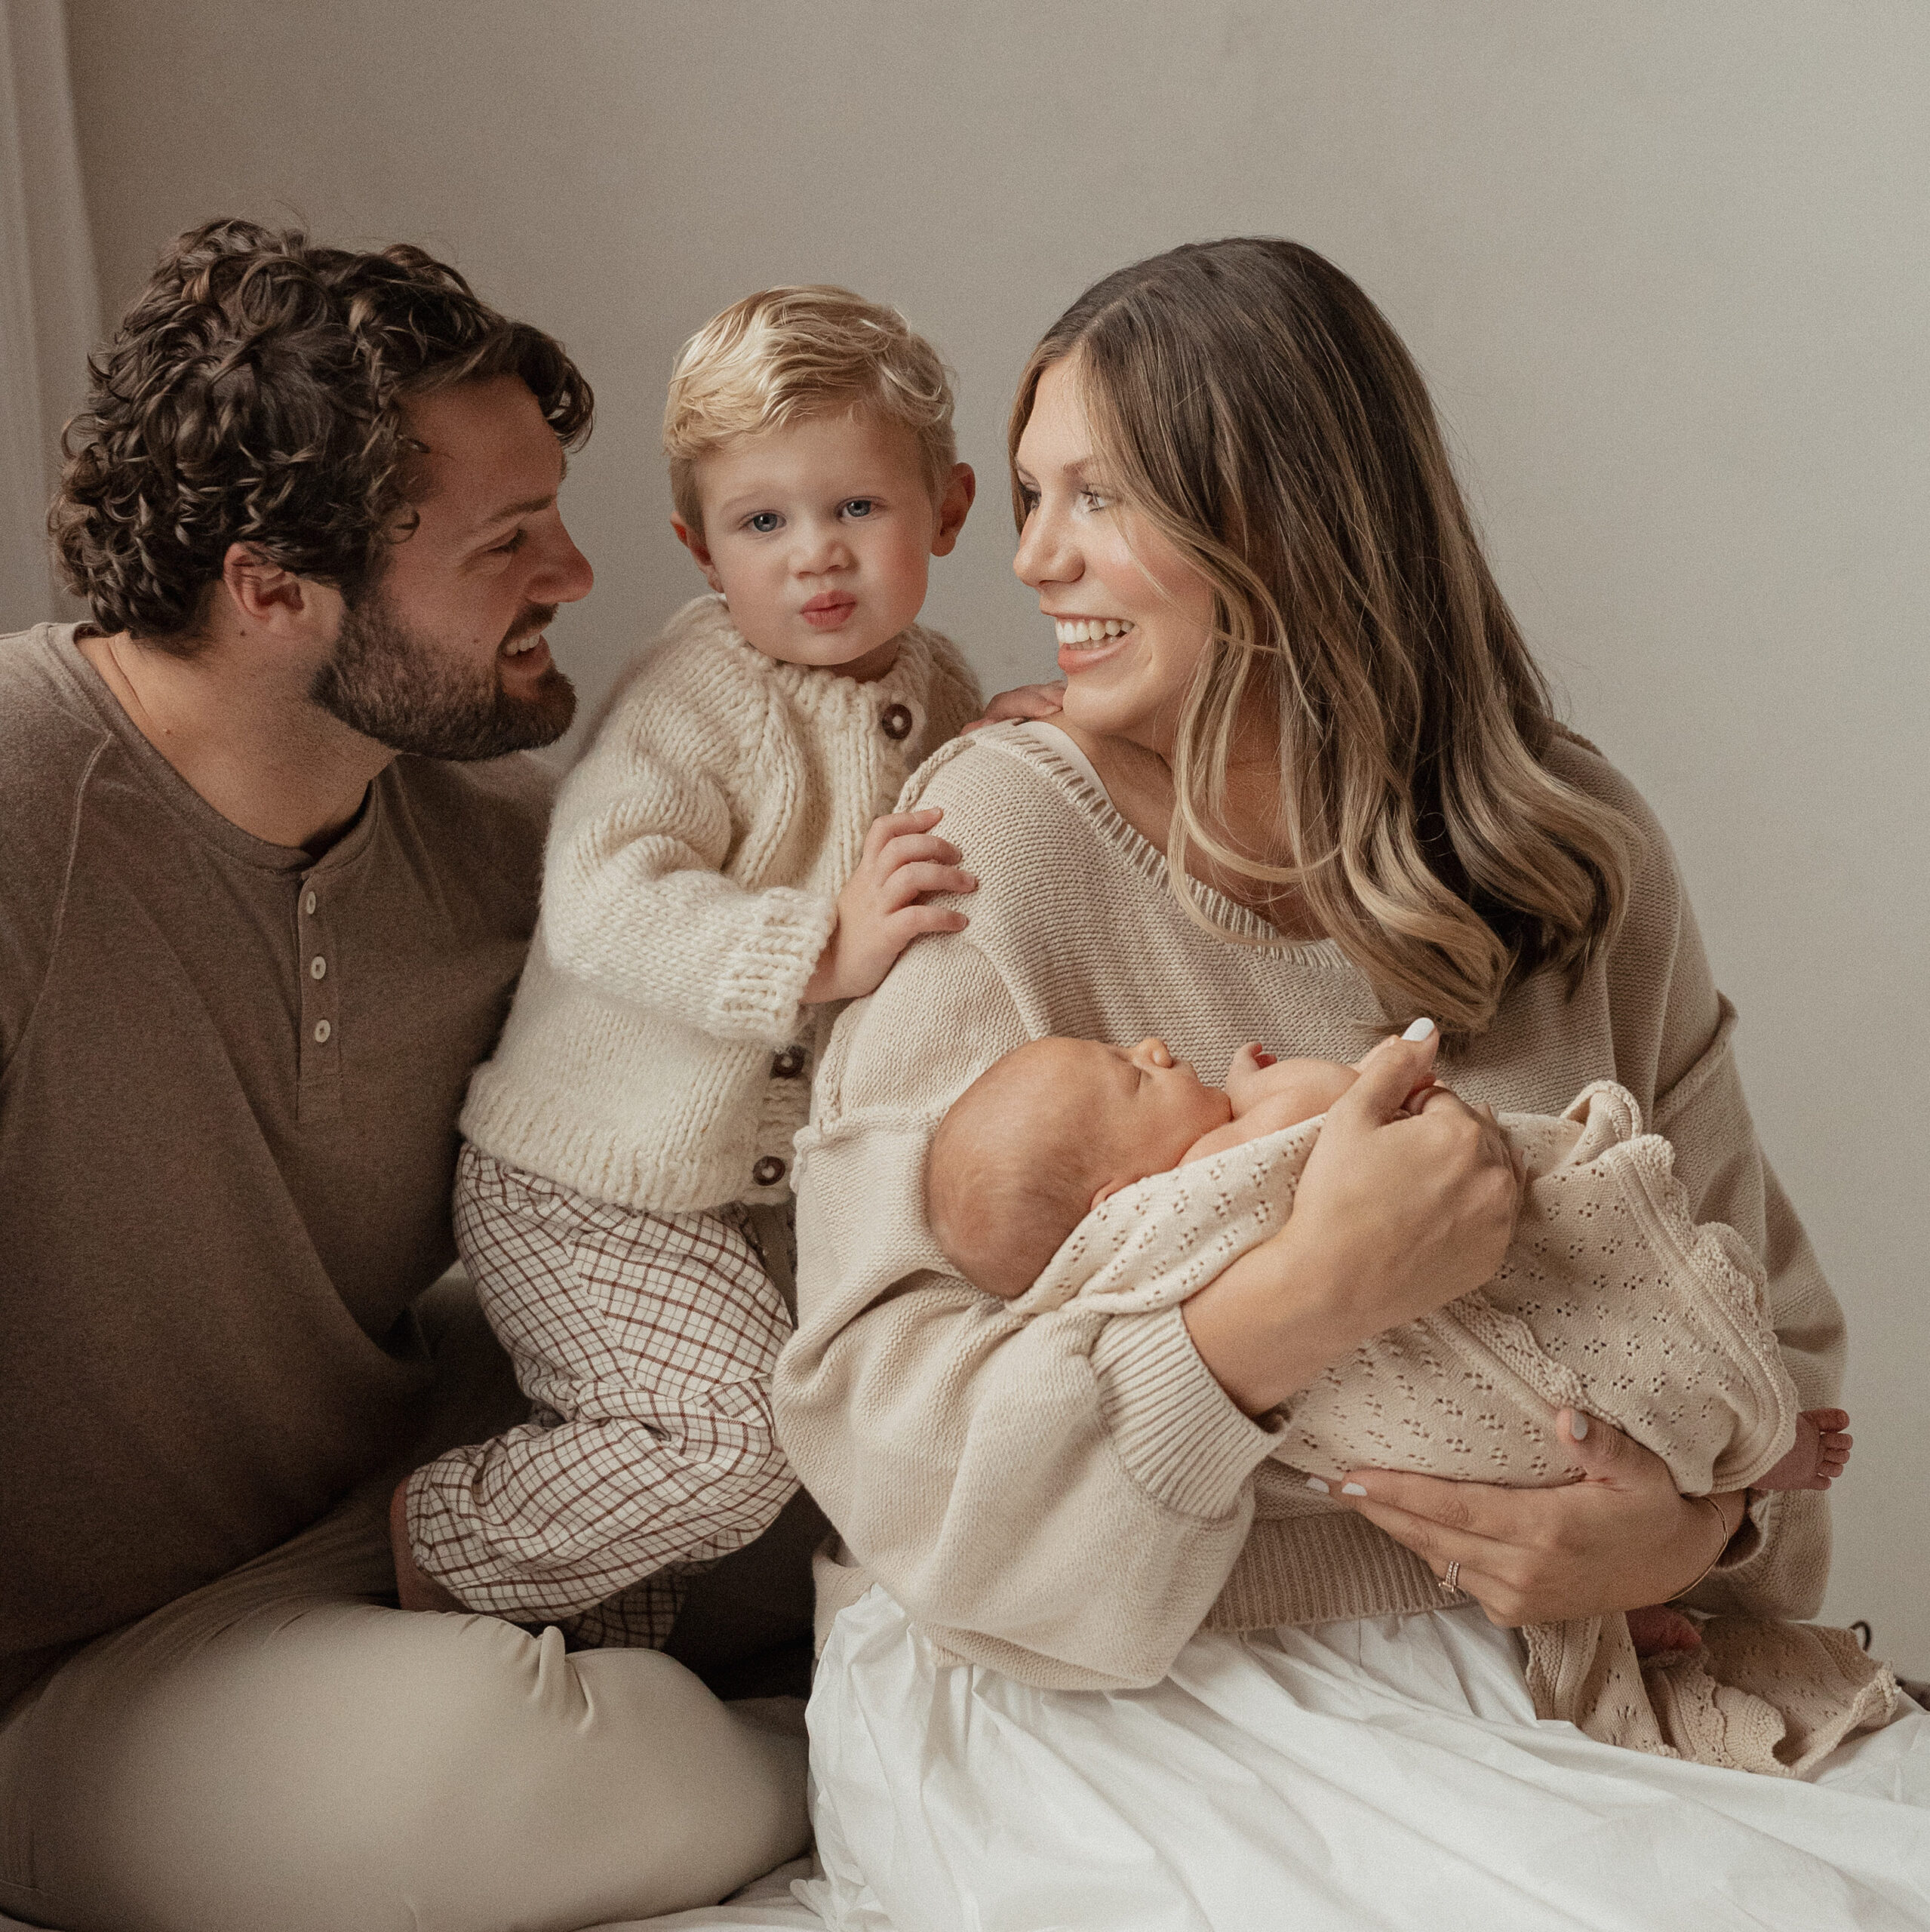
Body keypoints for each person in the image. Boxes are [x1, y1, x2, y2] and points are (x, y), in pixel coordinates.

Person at [739, 239, 1926, 1930]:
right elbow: (888, 1445)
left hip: (1559, 1664)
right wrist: (1299, 1297)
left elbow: (1761, 1321)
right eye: (1032, 492)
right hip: (1116, 1695)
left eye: (1098, 497)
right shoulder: (992, 839)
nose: (1032, 556)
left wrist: (1689, 1535)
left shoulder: (1564, 850)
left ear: (1283, 523)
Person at [0, 221, 800, 1932]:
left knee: (892, 1408)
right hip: (86, 1665)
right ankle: (841, 1742)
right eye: (507, 541)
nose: (573, 574)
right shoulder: (18, 807)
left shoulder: (503, 836)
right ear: (270, 588)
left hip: (409, 1504)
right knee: (473, 1773)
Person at [396, 285, 983, 1657]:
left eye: (857, 508)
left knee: (770, 1466)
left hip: (738, 1192)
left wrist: (1025, 748)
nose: (815, 555)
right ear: (700, 549)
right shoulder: (701, 693)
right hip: (588, 1180)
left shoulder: (941, 689)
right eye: (761, 523)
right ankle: (443, 1536)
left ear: (948, 511)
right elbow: (604, 896)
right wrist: (817, 947)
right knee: (725, 1437)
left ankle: (606, 1670)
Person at [927, 1026, 1859, 1690]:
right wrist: (1271, 1111)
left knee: (1553, 1441)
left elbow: (1795, 1323)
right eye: (1131, 1077)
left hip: (1467, 1494)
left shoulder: (1099, 1284)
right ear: (1118, 1197)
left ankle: (1642, 1574)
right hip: (1282, 1651)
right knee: (1603, 1384)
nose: (1153, 1047)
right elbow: (1321, 1106)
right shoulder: (1194, 1177)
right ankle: (1736, 1456)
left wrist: (1681, 1549)